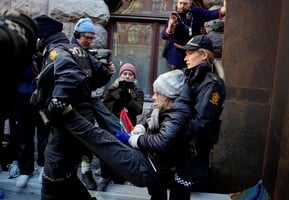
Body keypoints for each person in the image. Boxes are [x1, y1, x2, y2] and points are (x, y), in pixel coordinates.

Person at [58, 69, 191, 199]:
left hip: (147, 169)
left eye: (157, 93)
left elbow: (162, 141)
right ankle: (93, 98)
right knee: (112, 123)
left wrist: (136, 139)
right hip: (146, 157)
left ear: (168, 95)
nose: (154, 97)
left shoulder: (178, 114)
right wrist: (140, 126)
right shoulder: (165, 105)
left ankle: (69, 115)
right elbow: (148, 115)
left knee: (103, 139)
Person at [33, 15, 116, 199]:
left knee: (51, 179)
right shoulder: (80, 51)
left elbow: (70, 75)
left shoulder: (56, 50)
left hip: (67, 124)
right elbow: (98, 78)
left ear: (42, 37)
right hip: (82, 123)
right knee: (66, 175)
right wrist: (106, 72)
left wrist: (56, 102)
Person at [168, 35, 226, 200]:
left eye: (190, 53)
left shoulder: (213, 84)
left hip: (194, 149)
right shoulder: (191, 75)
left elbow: (201, 120)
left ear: (204, 55)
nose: (185, 58)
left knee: (180, 191)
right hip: (182, 147)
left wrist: (172, 136)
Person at [70, 17, 116, 190]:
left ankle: (86, 171)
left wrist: (107, 73)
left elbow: (96, 82)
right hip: (70, 104)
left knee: (87, 141)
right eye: (86, 37)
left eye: (91, 38)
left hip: (88, 105)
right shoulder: (67, 52)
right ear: (77, 35)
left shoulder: (90, 54)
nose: (89, 41)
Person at [0, 8, 37, 176]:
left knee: (22, 133)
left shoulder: (26, 57)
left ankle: (23, 167)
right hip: (15, 96)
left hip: (22, 98)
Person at [100, 62, 144, 191]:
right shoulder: (112, 89)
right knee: (108, 150)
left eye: (130, 74)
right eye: (124, 73)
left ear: (134, 78)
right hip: (113, 123)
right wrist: (120, 96)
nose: (127, 76)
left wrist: (129, 98)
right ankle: (105, 177)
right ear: (120, 76)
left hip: (129, 126)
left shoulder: (138, 91)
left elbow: (139, 109)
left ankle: (121, 177)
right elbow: (105, 107)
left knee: (125, 152)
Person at [13, 61, 49, 188]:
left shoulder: (45, 45)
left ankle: (43, 166)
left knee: (44, 134)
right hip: (21, 96)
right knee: (24, 135)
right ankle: (25, 170)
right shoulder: (18, 49)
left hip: (42, 96)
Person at [161, 0, 226, 70]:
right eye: (180, 3)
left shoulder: (196, 12)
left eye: (185, 3)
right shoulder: (174, 16)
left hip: (193, 50)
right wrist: (170, 29)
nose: (182, 6)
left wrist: (224, 9)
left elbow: (210, 14)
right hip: (177, 53)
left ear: (190, 3)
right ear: (177, 3)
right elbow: (164, 35)